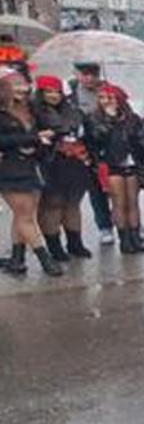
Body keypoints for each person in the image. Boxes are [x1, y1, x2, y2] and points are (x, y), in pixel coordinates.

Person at [0, 68, 63, 277]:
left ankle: (17, 259)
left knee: (23, 216)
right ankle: (44, 259)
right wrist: (31, 139)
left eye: (23, 84)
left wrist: (43, 139)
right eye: (14, 84)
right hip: (9, 168)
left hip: (32, 165)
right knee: (25, 216)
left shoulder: (31, 109)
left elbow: (53, 126)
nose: (20, 88)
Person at [34, 76, 94, 261]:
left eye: (57, 92)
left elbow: (85, 131)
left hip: (76, 161)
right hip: (51, 162)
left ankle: (75, 243)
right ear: (41, 93)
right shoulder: (35, 112)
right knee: (53, 204)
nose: (54, 95)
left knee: (73, 203)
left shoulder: (73, 110)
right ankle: (54, 247)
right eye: (49, 92)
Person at [92, 84, 144, 255]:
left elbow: (141, 139)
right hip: (111, 164)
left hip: (131, 163)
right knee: (119, 203)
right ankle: (124, 239)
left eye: (109, 98)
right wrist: (109, 120)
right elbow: (97, 138)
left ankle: (135, 236)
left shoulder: (132, 118)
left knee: (132, 202)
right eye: (102, 98)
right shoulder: (96, 118)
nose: (105, 102)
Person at [69, 61, 115, 246]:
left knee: (119, 188)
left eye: (92, 75)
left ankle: (128, 221)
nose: (89, 79)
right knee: (96, 189)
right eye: (84, 74)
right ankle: (104, 226)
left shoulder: (109, 90)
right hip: (87, 145)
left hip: (110, 143)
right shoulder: (71, 93)